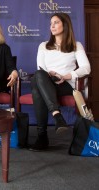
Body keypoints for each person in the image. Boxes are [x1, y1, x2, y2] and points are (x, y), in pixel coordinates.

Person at [30, 13, 91, 151]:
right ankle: (57, 116)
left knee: (37, 89)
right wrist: (51, 74)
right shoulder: (43, 45)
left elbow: (86, 68)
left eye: (56, 22)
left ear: (65, 25)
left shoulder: (76, 45)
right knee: (39, 75)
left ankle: (42, 137)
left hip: (65, 85)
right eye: (51, 23)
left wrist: (67, 76)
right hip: (47, 81)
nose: (52, 25)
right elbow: (41, 69)